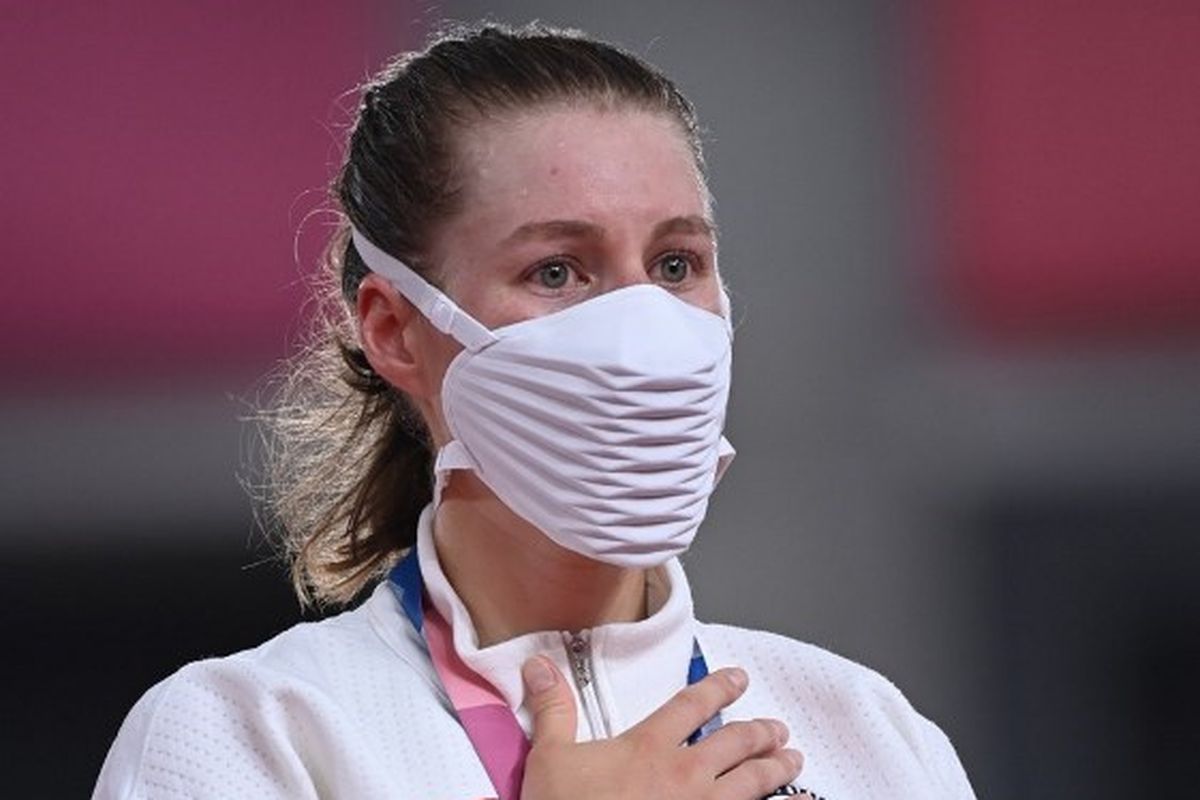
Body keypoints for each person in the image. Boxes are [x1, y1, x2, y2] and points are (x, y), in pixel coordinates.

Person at [93, 22, 976, 800]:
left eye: (676, 265)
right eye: (557, 270)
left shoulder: (867, 734)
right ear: (397, 332)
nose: (642, 331)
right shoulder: (255, 737)